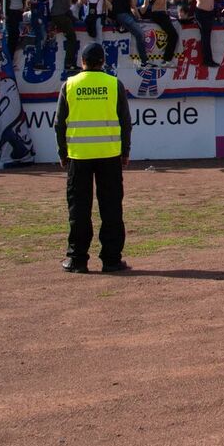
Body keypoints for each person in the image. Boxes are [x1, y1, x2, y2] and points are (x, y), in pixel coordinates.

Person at [55, 41, 131, 274]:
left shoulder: (69, 85)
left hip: (79, 156)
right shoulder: (113, 84)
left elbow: (59, 124)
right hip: (109, 155)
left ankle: (77, 259)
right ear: (103, 62)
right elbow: (125, 123)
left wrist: (63, 153)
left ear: (82, 62)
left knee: (79, 209)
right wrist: (125, 152)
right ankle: (111, 259)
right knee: (111, 208)